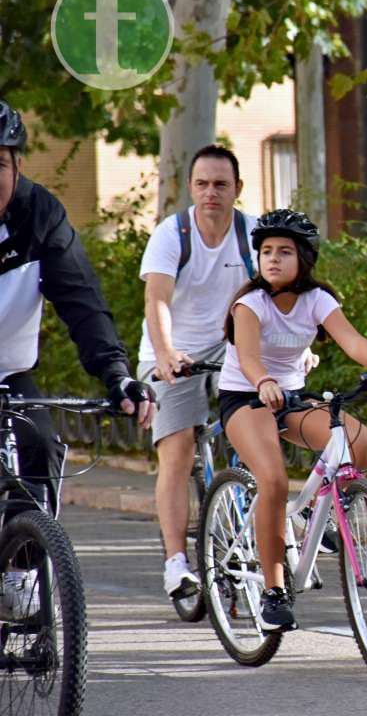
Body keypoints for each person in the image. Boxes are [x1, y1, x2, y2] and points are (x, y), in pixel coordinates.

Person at [216, 209, 367, 631]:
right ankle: (273, 591)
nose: (272, 258)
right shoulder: (249, 304)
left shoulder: (318, 300)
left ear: (304, 258)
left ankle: (316, 517)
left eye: (284, 252)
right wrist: (264, 380)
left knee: (359, 443)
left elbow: (353, 342)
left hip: (291, 398)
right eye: (266, 251)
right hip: (247, 397)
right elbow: (249, 357)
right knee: (272, 480)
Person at [0, 99, 154, 614]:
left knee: (39, 444)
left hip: (10, 372)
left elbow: (82, 301)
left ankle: (20, 581)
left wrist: (117, 375)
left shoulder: (40, 216)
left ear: (18, 166)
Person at [139, 144, 257, 601]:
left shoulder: (251, 233)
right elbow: (158, 300)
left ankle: (243, 520)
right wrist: (166, 351)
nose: (211, 193)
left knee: (258, 429)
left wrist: (297, 350)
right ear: (190, 188)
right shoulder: (172, 234)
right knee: (178, 448)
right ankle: (176, 563)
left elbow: (276, 296)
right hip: (173, 347)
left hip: (232, 346)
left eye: (221, 185)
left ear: (237, 190)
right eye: (203, 184)